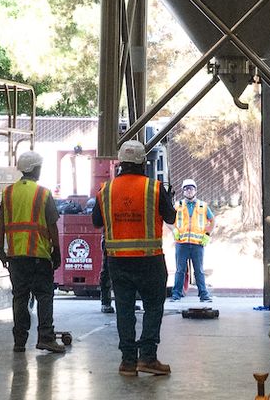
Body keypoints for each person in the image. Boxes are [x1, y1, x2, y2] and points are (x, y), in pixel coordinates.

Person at [94, 141, 175, 377]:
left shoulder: (106, 190)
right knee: (152, 306)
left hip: (118, 261)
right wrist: (168, 200)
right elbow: (170, 218)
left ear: (121, 163)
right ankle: (148, 358)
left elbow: (97, 222)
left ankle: (128, 361)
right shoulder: (155, 188)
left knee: (125, 309)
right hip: (149, 260)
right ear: (142, 163)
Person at [0, 150, 65, 354]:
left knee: (20, 297)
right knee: (44, 296)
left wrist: (0, 249)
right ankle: (45, 337)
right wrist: (57, 251)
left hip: (16, 256)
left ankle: (19, 341)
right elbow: (52, 225)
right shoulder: (43, 193)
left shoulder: (8, 193)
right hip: (39, 255)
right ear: (36, 169)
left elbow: (1, 223)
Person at [168, 178, 213, 302]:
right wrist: (174, 230)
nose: (189, 191)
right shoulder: (178, 205)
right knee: (180, 270)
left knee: (199, 270)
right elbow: (168, 219)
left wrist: (207, 234)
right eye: (186, 189)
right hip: (181, 243)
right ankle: (176, 295)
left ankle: (204, 295)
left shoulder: (203, 206)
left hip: (197, 244)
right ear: (183, 191)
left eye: (191, 188)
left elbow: (212, 220)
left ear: (195, 190)